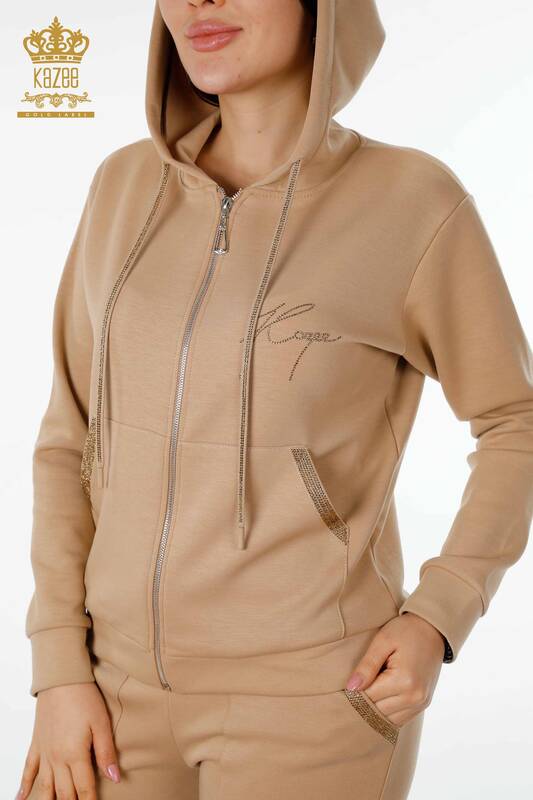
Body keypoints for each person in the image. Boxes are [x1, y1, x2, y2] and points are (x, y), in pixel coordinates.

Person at [19, 0, 533, 798]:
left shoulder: (411, 201)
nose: (200, 1)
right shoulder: (122, 185)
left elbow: (513, 421)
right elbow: (69, 436)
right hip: (108, 695)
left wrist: (441, 611)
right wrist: (58, 665)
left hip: (316, 702)